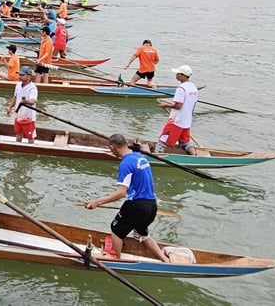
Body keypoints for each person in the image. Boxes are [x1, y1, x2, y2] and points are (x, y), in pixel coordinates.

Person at [84, 134, 170, 262]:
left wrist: (97, 202)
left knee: (116, 230)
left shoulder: (125, 163)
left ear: (113, 148)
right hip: (152, 205)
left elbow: (121, 193)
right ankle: (164, 259)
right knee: (142, 234)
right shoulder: (140, 157)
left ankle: (116, 260)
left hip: (137, 205)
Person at [155, 65, 199, 154]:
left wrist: (166, 105)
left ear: (182, 75)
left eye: (178, 74)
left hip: (176, 121)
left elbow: (178, 105)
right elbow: (193, 105)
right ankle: (195, 156)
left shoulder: (181, 88)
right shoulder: (193, 88)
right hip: (187, 120)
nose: (176, 75)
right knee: (185, 143)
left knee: (162, 141)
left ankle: (157, 155)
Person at [7, 66, 38, 143]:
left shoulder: (32, 88)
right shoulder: (18, 85)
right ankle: (18, 145)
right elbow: (15, 97)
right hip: (18, 114)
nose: (19, 76)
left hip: (29, 117)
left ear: (29, 76)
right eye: (19, 74)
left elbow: (33, 101)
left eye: (22, 75)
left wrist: (26, 101)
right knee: (18, 133)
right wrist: (10, 107)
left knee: (30, 137)